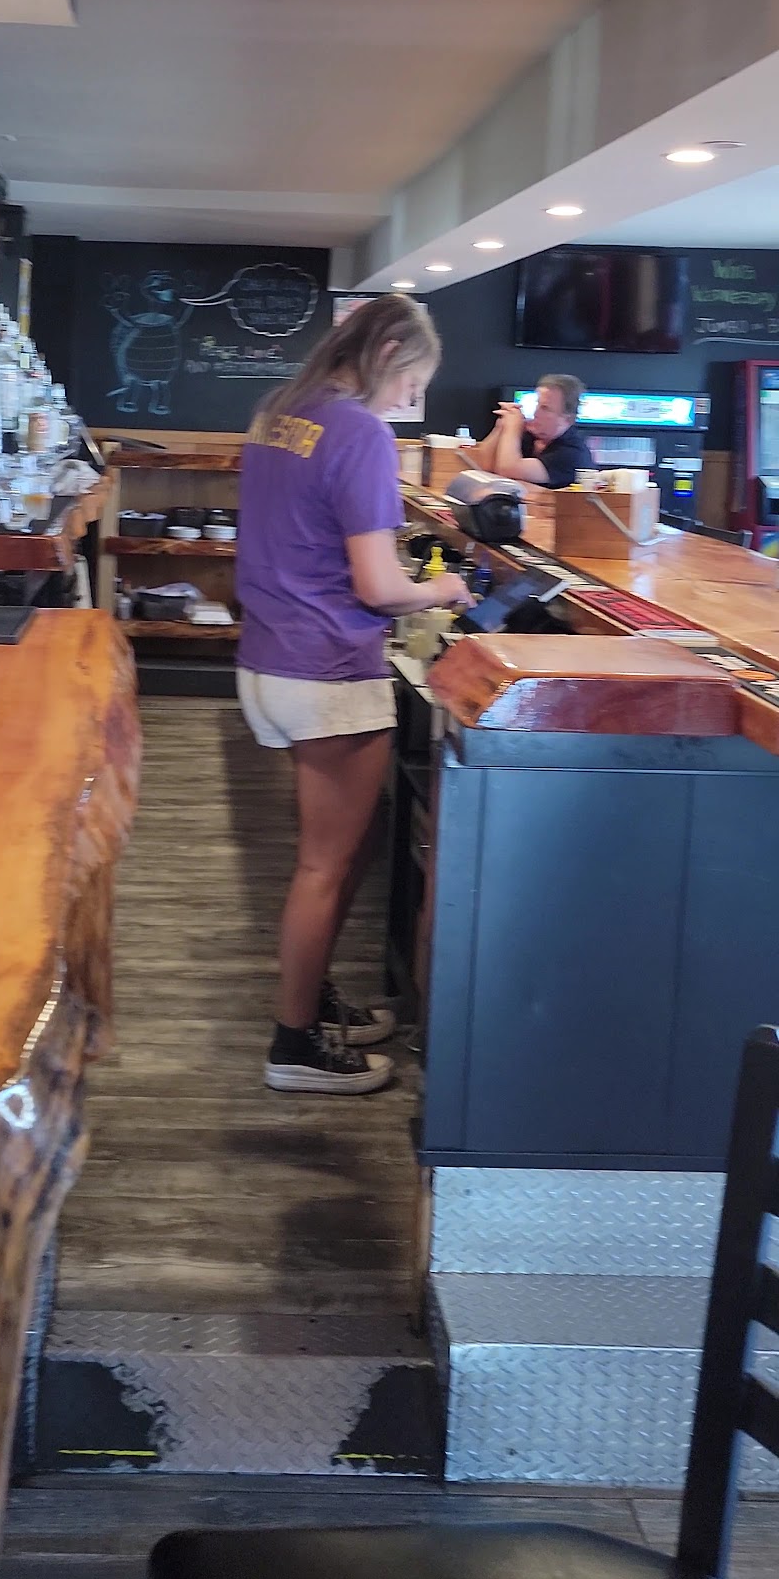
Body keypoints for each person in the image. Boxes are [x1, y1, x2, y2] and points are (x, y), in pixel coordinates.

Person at [236, 294, 474, 1097]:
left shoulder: (282, 410)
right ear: (389, 351)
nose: (410, 399)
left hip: (269, 659)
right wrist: (442, 588)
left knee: (351, 849)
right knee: (325, 864)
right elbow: (378, 586)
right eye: (414, 381)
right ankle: (294, 1045)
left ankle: (312, 999)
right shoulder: (361, 432)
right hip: (327, 668)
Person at [469, 373, 591, 490]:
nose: (535, 413)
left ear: (568, 419)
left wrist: (512, 429)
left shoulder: (572, 452)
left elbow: (508, 469)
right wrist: (501, 426)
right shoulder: (530, 437)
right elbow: (482, 464)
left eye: (545, 408)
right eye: (537, 404)